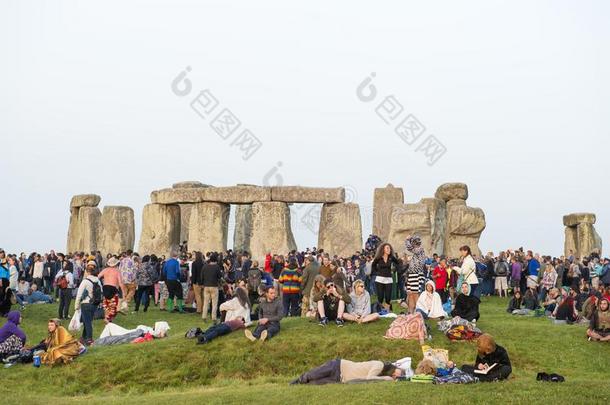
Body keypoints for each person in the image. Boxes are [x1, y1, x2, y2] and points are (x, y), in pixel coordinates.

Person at [291, 359, 403, 385]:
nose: (398, 375)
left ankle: (298, 385)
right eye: (399, 372)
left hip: (340, 378)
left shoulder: (382, 374)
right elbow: (370, 378)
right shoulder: (380, 365)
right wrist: (387, 379)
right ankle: (298, 380)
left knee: (314, 383)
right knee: (312, 375)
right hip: (339, 366)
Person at [74, 262, 102, 345]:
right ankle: (83, 338)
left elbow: (79, 294)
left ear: (87, 272)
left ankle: (89, 339)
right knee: (88, 321)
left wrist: (76, 306)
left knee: (88, 322)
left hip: (86, 303)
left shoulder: (85, 281)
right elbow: (101, 292)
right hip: (94, 304)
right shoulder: (98, 281)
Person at [371, 243, 400, 311]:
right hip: (380, 279)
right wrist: (376, 272)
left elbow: (397, 263)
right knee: (380, 297)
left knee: (388, 297)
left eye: (389, 248)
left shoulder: (391, 257)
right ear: (383, 249)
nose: (389, 249)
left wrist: (395, 270)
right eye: (387, 248)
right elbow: (373, 265)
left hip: (389, 279)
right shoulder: (379, 257)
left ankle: (387, 311)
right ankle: (379, 310)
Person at [98, 257, 124, 322]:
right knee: (114, 305)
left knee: (106, 303)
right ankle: (108, 318)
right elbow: (120, 283)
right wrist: (123, 293)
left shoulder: (105, 270)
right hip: (113, 288)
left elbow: (98, 277)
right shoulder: (117, 271)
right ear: (116, 264)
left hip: (105, 287)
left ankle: (107, 317)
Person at [201, 253, 223, 321]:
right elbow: (220, 277)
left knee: (206, 302)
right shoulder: (217, 267)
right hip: (214, 286)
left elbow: (201, 276)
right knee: (214, 303)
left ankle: (204, 316)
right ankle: (214, 317)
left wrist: (203, 283)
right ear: (216, 260)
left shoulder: (205, 266)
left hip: (206, 286)